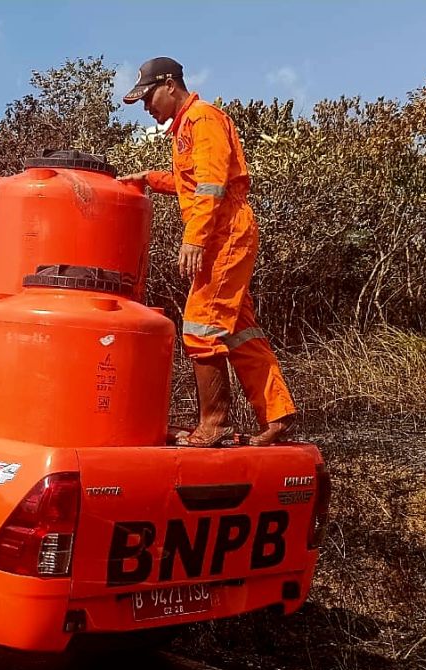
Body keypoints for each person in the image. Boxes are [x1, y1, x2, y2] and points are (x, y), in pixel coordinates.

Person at [117, 57, 296, 447]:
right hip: (223, 232)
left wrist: (194, 239)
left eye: (148, 98)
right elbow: (191, 182)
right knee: (238, 331)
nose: (147, 107)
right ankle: (278, 415)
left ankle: (215, 425)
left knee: (201, 326)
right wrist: (149, 178)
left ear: (169, 85)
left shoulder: (203, 120)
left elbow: (212, 187)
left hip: (223, 234)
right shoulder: (186, 128)